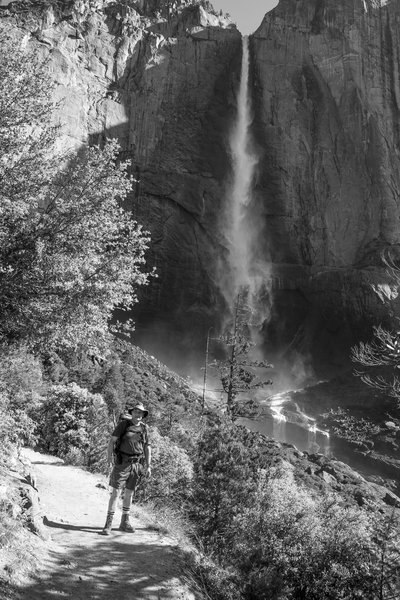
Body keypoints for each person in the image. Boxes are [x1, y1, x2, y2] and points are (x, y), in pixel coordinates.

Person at [100, 401, 151, 535]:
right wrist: (109, 458)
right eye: (136, 411)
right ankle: (108, 524)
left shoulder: (144, 429)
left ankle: (125, 522)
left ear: (143, 415)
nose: (138, 414)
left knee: (129, 493)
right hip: (122, 462)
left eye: (140, 412)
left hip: (136, 464)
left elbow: (147, 447)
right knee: (116, 492)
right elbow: (112, 441)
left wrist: (148, 465)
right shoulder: (124, 425)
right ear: (132, 413)